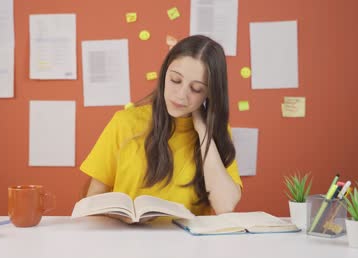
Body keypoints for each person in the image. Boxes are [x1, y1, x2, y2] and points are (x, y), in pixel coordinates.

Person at [80, 35, 242, 222]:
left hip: (188, 248)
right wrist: (117, 216)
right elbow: (92, 201)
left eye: (196, 89)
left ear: (210, 93)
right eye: (175, 80)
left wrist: (203, 129)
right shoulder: (124, 122)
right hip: (126, 244)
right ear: (165, 73)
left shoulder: (215, 132)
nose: (181, 96)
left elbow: (225, 206)